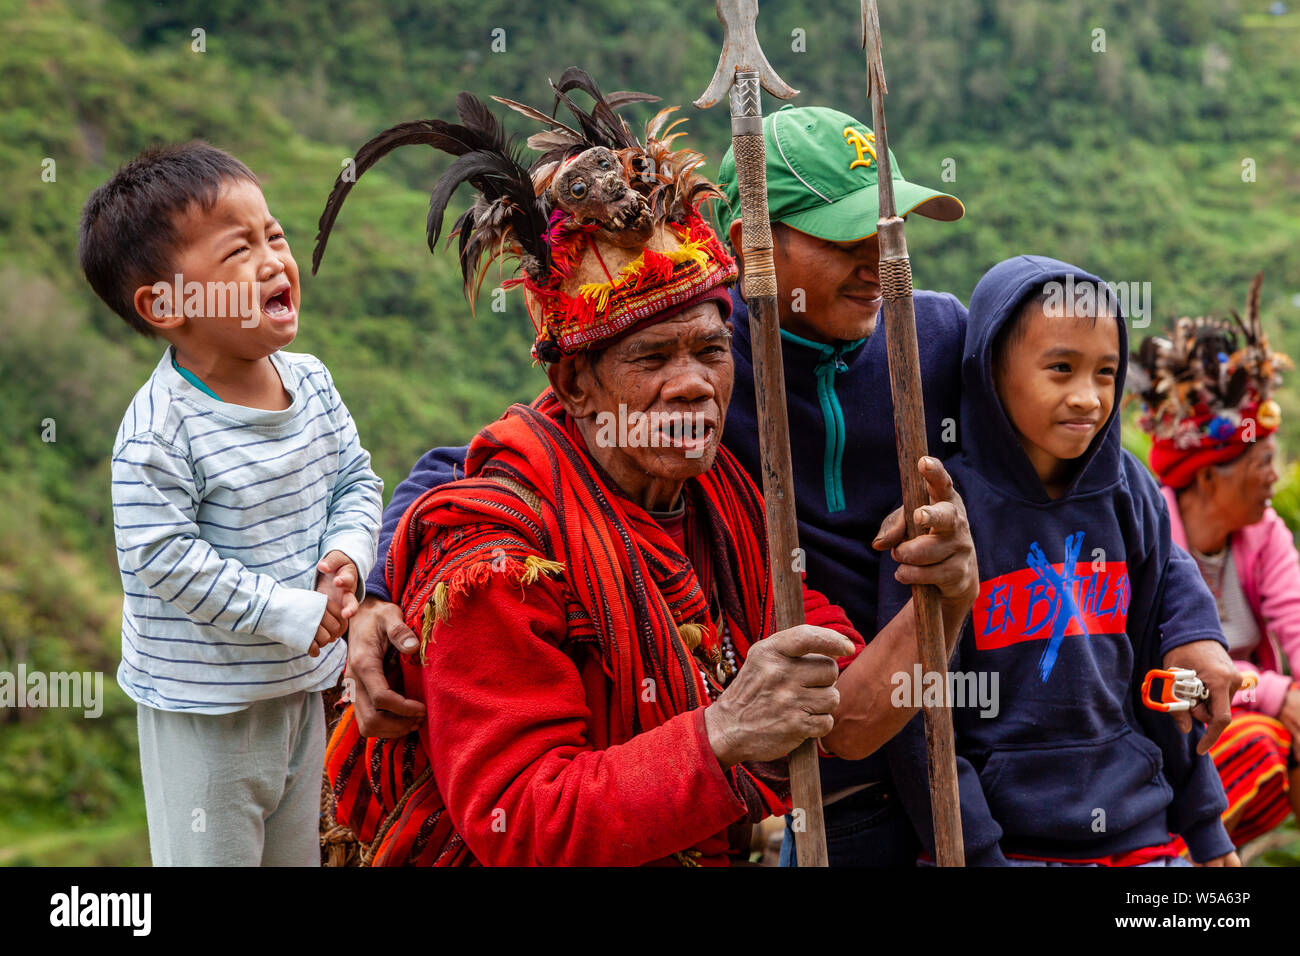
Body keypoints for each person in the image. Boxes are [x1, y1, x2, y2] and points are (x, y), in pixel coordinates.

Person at [312, 75, 980, 866]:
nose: (694, 382)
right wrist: (722, 731)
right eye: (652, 357)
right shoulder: (496, 557)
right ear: (574, 386)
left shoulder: (722, 496)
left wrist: (946, 596)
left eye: (708, 349)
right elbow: (518, 823)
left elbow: (847, 714)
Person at [81, 142, 384, 865]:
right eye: (239, 249)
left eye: (274, 234)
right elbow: (165, 559)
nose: (275, 257)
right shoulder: (160, 429)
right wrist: (290, 615)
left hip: (298, 691)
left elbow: (355, 481)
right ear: (166, 304)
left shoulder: (309, 382)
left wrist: (347, 557)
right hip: (205, 714)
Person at [882, 255, 1239, 866]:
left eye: (1106, 372)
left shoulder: (1129, 492)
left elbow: (1169, 683)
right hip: (1009, 847)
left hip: (1141, 841)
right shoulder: (944, 515)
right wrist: (977, 854)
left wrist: (1207, 832)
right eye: (1060, 368)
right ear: (992, 370)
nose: (1087, 398)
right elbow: (920, 727)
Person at [1132, 273, 1300, 848]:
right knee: (1260, 746)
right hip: (1169, 730)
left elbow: (1296, 623)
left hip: (1247, 719)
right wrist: (1277, 694)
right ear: (1208, 476)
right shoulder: (1149, 532)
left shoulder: (1266, 534)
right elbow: (1175, 682)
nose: (1274, 479)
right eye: (1262, 465)